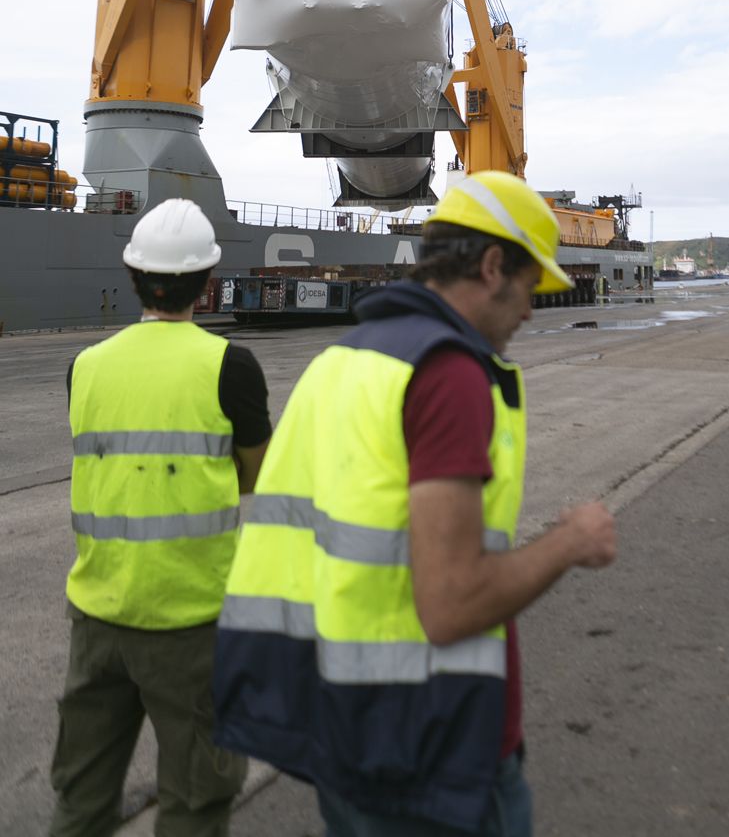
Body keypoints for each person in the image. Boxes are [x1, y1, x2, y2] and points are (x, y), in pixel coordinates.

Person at [214, 171, 617, 837]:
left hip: (341, 726)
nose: (527, 312)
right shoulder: (448, 374)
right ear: (491, 266)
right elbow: (452, 603)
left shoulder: (341, 360)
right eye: (526, 289)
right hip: (428, 744)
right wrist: (569, 541)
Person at [50, 199, 271, 837]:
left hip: (97, 617)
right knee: (196, 801)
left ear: (131, 273)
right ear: (208, 284)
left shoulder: (84, 367)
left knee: (79, 800)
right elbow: (258, 475)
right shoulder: (230, 367)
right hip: (190, 625)